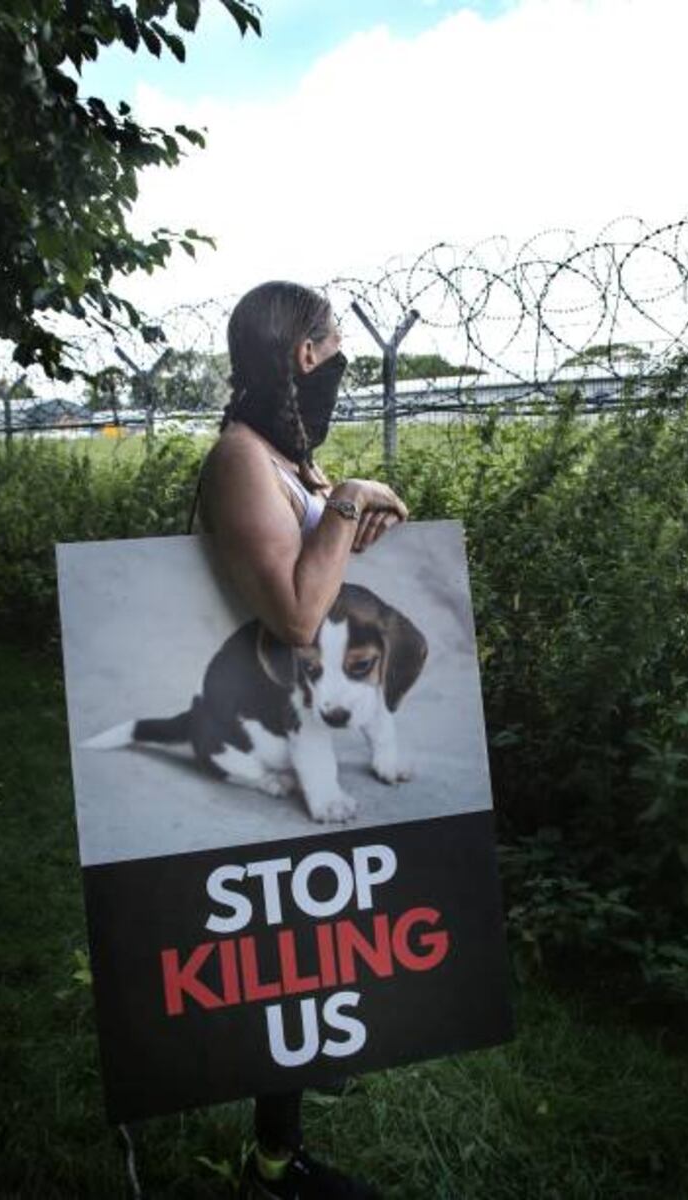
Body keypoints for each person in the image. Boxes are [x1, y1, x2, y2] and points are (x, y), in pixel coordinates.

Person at [197, 280, 408, 1200]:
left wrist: (350, 519)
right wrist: (348, 495)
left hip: (299, 737)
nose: (340, 365)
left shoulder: (281, 460)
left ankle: (278, 1151)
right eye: (331, 346)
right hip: (264, 741)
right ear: (305, 355)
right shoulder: (241, 460)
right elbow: (291, 615)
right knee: (269, 963)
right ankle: (271, 1167)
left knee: (295, 957)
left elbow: (310, 578)